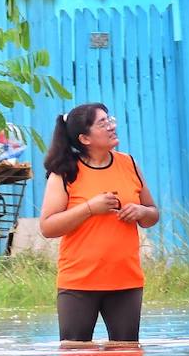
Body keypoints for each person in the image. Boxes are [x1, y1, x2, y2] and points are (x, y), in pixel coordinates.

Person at [38, 103, 160, 342]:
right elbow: (48, 227)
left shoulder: (129, 164)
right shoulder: (65, 173)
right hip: (79, 281)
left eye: (110, 120)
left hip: (126, 279)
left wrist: (140, 211)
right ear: (84, 138)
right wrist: (90, 208)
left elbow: (153, 215)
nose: (112, 126)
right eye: (102, 123)